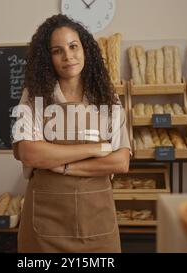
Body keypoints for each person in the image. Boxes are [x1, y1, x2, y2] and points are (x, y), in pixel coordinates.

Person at [12, 14, 131, 253]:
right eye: (57, 51)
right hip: (45, 224)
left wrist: (64, 166)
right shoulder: (33, 96)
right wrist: (95, 149)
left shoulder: (108, 97)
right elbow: (30, 153)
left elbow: (120, 161)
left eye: (73, 46)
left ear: (85, 49)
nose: (68, 56)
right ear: (48, 58)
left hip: (97, 223)